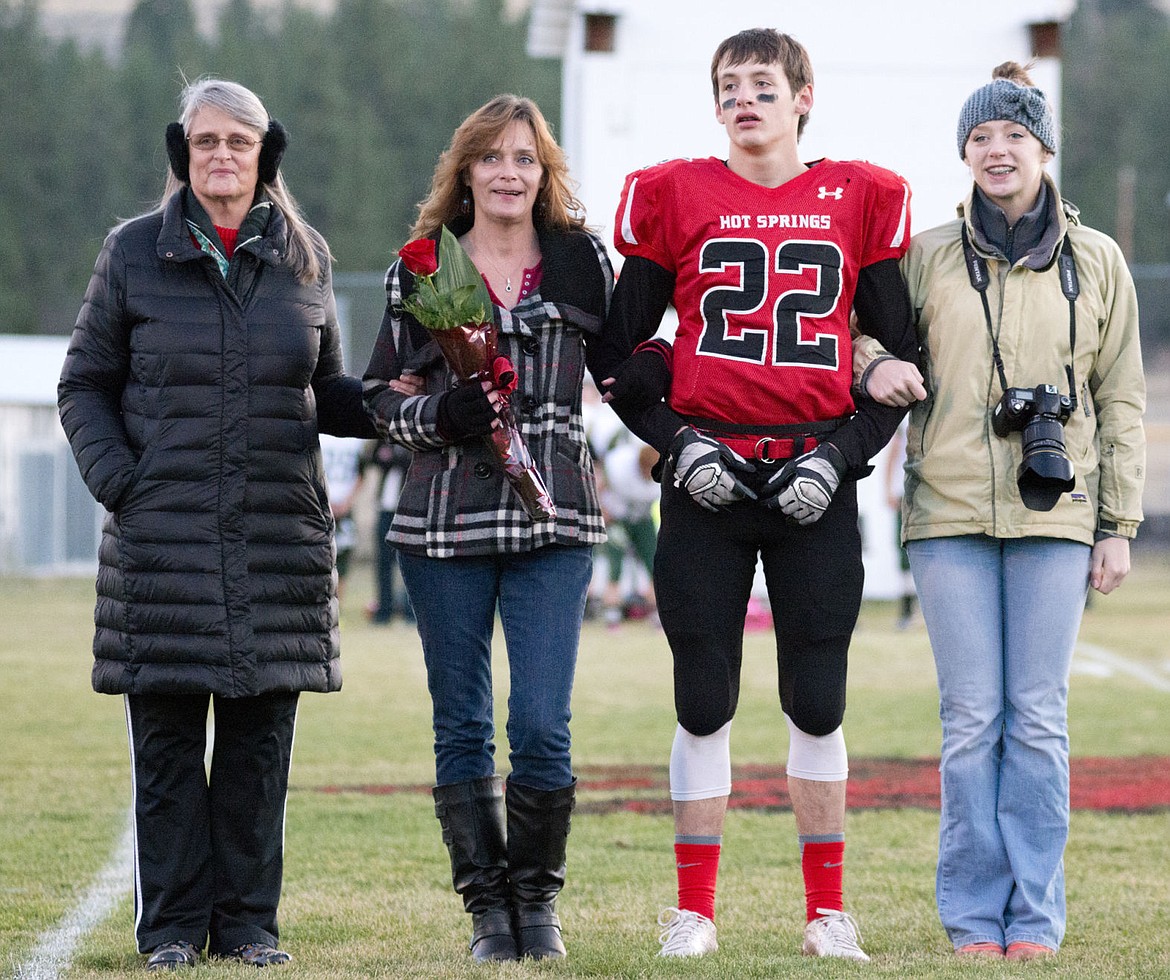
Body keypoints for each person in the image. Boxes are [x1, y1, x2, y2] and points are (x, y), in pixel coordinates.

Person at [598, 27, 919, 961]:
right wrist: (677, 446)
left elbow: (902, 366)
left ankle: (827, 913)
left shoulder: (857, 197)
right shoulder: (676, 193)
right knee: (703, 698)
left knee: (817, 700)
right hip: (709, 478)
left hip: (815, 472)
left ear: (803, 96)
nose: (745, 101)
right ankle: (694, 908)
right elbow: (618, 360)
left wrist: (845, 456)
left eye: (763, 86)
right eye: (729, 87)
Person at [57, 78, 374, 972]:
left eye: (239, 141)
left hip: (277, 543)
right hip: (163, 547)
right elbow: (82, 384)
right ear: (183, 154)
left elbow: (327, 395)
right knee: (164, 753)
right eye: (206, 143)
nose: (222, 157)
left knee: (256, 754)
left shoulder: (305, 259)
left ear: (266, 152)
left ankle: (247, 928)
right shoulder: (132, 254)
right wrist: (125, 483)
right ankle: (167, 932)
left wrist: (400, 402)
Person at [858, 63, 1145, 961]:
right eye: (980, 138)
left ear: (1043, 147)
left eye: (1013, 136)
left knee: (1039, 717)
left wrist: (1120, 524)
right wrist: (875, 366)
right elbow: (863, 331)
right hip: (947, 510)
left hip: (1058, 514)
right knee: (971, 719)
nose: (996, 151)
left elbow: (1122, 397)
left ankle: (1036, 918)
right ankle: (975, 918)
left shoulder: (1096, 260)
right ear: (964, 152)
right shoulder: (927, 253)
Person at [362, 95, 613, 963]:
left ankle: (537, 904)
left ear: (544, 174)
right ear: (464, 170)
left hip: (555, 513)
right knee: (460, 723)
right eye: (493, 158)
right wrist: (443, 413)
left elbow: (618, 370)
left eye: (526, 158)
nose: (509, 173)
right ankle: (488, 915)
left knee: (542, 723)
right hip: (443, 521)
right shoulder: (424, 266)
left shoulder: (582, 261)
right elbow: (377, 401)